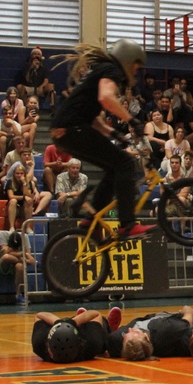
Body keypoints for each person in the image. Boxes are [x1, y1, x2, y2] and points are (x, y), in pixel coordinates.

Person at [50, 40, 151, 241]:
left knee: (114, 167)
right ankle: (128, 225)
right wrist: (131, 119)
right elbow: (106, 98)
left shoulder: (100, 71)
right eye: (135, 66)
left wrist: (113, 133)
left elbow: (91, 116)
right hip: (73, 130)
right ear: (127, 59)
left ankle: (91, 220)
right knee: (125, 163)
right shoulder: (111, 69)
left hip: (68, 130)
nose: (135, 71)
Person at [32, 307, 123, 363]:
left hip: (67, 327)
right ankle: (111, 328)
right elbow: (95, 314)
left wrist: (58, 322)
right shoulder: (91, 344)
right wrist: (74, 321)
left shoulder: (39, 344)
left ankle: (80, 319)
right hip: (86, 334)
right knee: (104, 340)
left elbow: (39, 315)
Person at [106, 306, 193, 360]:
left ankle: (111, 328)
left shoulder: (117, 342)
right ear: (146, 336)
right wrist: (188, 311)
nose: (130, 329)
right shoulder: (165, 329)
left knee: (113, 338)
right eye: (136, 332)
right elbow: (186, 323)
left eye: (126, 335)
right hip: (171, 320)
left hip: (148, 323)